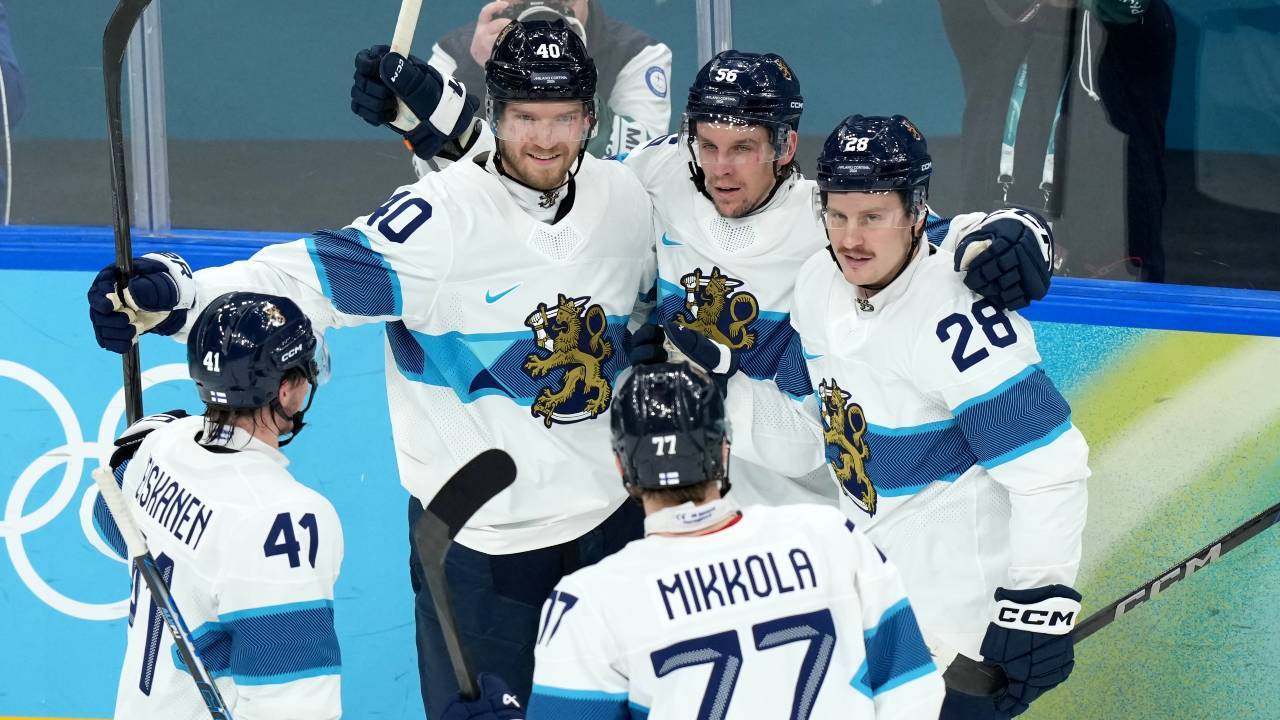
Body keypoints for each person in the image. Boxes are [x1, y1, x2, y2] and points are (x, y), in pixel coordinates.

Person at [89, 20, 657, 719]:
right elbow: (299, 283)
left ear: (591, 118)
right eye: (523, 118)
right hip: (481, 553)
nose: (544, 139)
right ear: (497, 113)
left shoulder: (627, 200)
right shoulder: (440, 225)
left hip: (613, 528)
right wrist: (175, 297)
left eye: (563, 118)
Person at [372, 46, 1058, 511]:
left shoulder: (826, 218)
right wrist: (439, 118)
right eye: (708, 144)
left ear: (786, 146)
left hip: (803, 503)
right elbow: (549, 174)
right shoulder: (661, 174)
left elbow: (941, 236)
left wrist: (1022, 233)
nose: (720, 168)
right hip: (687, 497)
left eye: (743, 149)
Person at [790, 114, 1091, 719]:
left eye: (873, 216)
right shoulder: (817, 281)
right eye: (838, 215)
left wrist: (1037, 611)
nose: (851, 238)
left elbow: (1051, 470)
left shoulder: (958, 319)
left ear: (915, 212)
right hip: (874, 607)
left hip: (962, 634)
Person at [442, 362, 945, 720]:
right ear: (723, 452)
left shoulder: (589, 604)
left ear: (622, 467)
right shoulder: (832, 538)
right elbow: (912, 689)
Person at [91, 291, 342, 719]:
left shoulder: (160, 442)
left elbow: (108, 518)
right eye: (305, 370)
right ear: (285, 391)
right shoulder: (283, 517)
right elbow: (293, 704)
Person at [938, 0, 1175, 282]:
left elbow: (1130, 8)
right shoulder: (990, 31)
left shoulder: (1137, 34)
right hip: (988, 273)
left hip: (1106, 284)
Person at [427, 0, 671, 158]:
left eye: (560, 3)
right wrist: (477, 68)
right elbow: (428, 160)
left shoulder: (637, 53)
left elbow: (641, 159)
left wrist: (573, 75)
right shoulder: (455, 52)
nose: (546, 17)